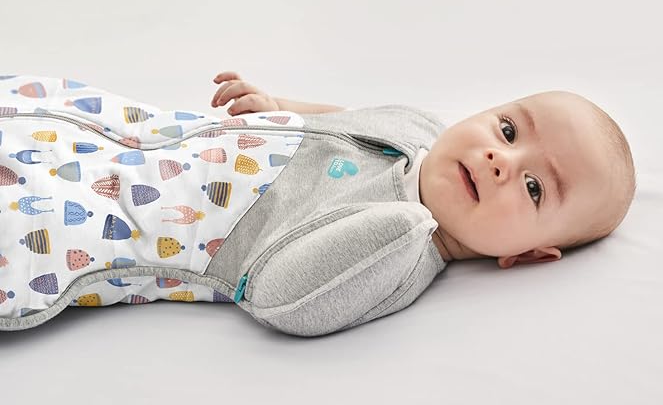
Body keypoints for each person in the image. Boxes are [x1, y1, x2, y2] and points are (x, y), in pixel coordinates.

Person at [211, 71, 636, 271]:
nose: (500, 161)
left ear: (527, 254)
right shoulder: (420, 128)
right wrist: (281, 107)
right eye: (508, 131)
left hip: (202, 220)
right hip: (205, 140)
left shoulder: (399, 256)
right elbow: (353, 117)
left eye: (534, 187)